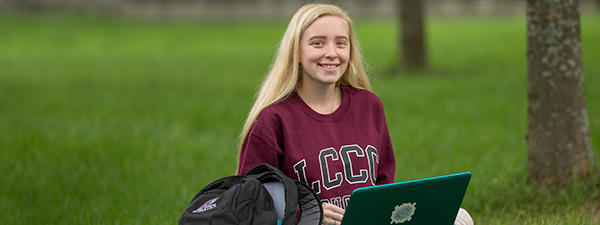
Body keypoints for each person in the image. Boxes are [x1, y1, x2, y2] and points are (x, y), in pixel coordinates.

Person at [236, 4, 473, 225]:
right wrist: (306, 213)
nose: (332, 53)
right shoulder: (273, 120)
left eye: (341, 43)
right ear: (296, 51)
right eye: (318, 43)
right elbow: (249, 200)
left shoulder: (369, 105)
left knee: (460, 217)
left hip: (368, 220)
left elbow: (383, 182)